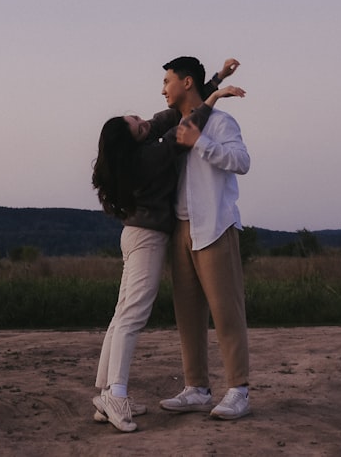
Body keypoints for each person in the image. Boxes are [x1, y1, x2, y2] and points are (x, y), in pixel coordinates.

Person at [90, 59, 243, 432]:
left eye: (166, 81)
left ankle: (106, 394)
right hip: (153, 238)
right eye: (136, 124)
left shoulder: (149, 138)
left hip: (166, 232)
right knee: (135, 315)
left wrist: (217, 80)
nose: (145, 119)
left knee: (124, 312)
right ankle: (118, 395)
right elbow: (185, 130)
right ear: (133, 139)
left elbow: (179, 117)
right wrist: (216, 96)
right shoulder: (151, 153)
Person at [157, 56, 252, 421]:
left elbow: (242, 161)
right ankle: (196, 388)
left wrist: (201, 143)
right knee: (188, 314)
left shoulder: (221, 122)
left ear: (186, 83)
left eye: (167, 81)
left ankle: (239, 390)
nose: (163, 89)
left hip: (215, 225)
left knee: (227, 311)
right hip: (180, 228)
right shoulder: (173, 126)